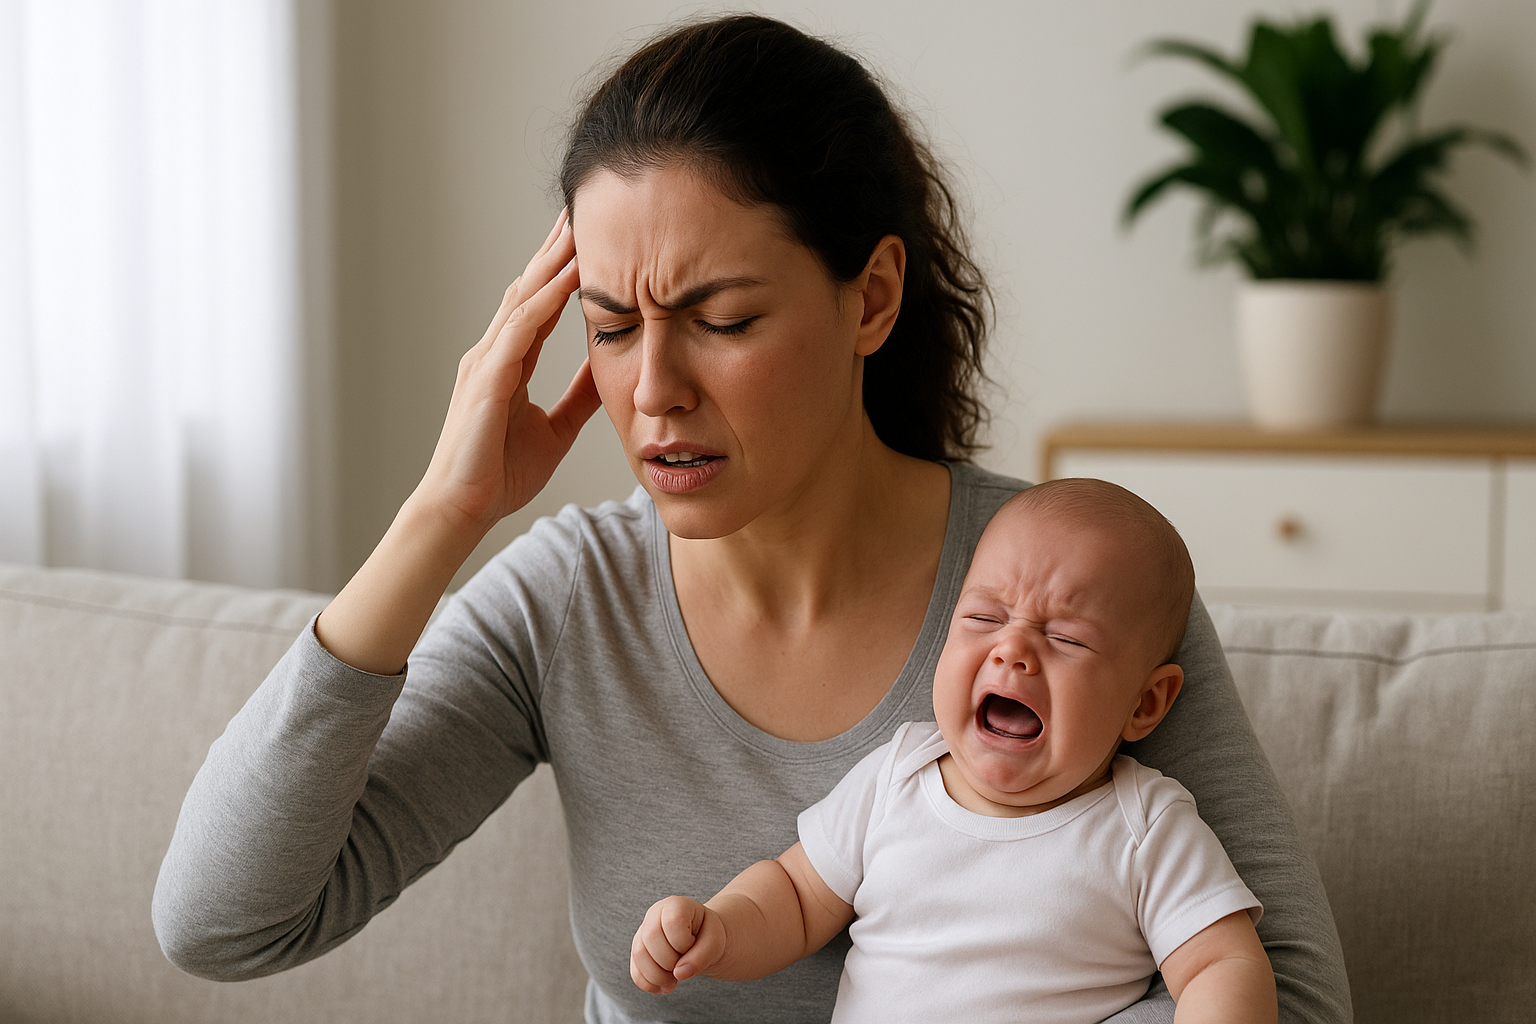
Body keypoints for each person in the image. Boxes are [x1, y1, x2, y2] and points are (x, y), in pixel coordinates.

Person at [152, 14, 1349, 1024]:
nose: (654, 386)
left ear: (871, 298)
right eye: (613, 325)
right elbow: (223, 920)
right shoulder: (573, 596)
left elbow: (1289, 993)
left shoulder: (1071, 588)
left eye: (721, 319)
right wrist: (442, 513)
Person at [630, 479, 1276, 1024]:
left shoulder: (1143, 826)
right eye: (985, 619)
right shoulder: (898, 776)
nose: (1012, 650)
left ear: (1145, 705)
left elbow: (1221, 963)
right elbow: (795, 899)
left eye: (1066, 638)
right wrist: (719, 929)